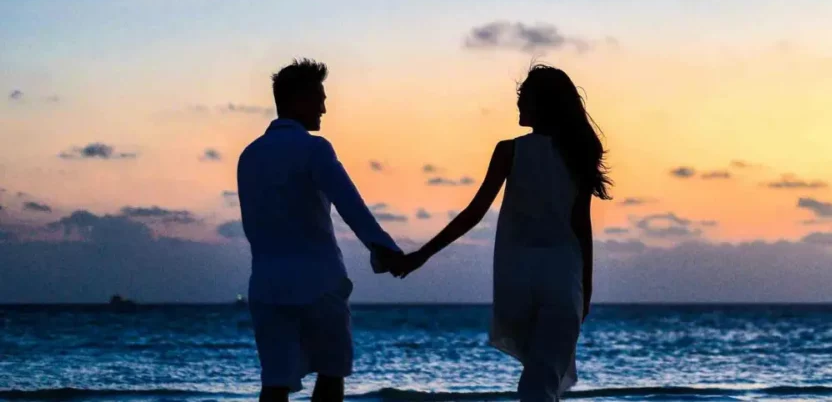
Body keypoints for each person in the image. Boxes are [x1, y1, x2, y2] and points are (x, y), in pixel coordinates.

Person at [397, 64, 612, 402]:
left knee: (537, 379)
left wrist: (421, 255)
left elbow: (473, 213)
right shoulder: (576, 153)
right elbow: (580, 226)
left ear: (542, 103)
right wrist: (586, 288)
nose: (518, 104)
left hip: (518, 279)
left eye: (524, 98)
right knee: (542, 380)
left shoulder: (510, 151)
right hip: (562, 277)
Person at [237, 58, 404, 402]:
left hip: (267, 284)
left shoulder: (249, 155)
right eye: (319, 98)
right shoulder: (315, 148)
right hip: (318, 281)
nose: (325, 108)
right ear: (297, 100)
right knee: (331, 373)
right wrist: (384, 249)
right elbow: (350, 205)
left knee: (275, 383)